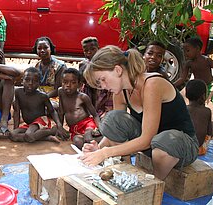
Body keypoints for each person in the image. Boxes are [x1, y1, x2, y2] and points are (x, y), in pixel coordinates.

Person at [80, 45, 198, 180]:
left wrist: (106, 153)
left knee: (163, 140)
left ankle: (156, 184)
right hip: (153, 145)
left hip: (179, 146)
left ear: (118, 70)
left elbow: (147, 140)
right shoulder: (120, 91)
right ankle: (126, 173)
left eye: (103, 79)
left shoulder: (152, 84)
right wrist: (99, 149)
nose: (104, 86)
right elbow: (116, 129)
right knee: (113, 118)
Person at [10, 67, 67, 143]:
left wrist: (59, 125)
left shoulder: (42, 96)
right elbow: (16, 111)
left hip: (41, 121)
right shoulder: (18, 92)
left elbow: (52, 111)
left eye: (35, 81)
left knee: (29, 135)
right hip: (30, 124)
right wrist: (16, 128)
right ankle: (46, 137)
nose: (30, 83)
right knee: (13, 135)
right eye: (27, 80)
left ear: (39, 83)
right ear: (22, 81)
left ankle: (52, 131)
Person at [176, 37, 213, 103]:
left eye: (187, 51)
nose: (185, 54)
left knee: (200, 102)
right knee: (196, 101)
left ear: (197, 49)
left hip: (209, 85)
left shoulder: (207, 61)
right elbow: (182, 78)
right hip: (198, 86)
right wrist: (173, 84)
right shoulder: (189, 64)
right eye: (184, 51)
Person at [58, 68, 101, 149]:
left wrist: (100, 128)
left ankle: (105, 142)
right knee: (77, 142)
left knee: (88, 138)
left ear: (79, 84)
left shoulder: (83, 97)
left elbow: (94, 114)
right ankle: (94, 148)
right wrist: (60, 127)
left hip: (87, 124)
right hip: (74, 129)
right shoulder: (61, 92)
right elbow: (61, 111)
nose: (68, 85)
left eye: (73, 82)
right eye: (65, 82)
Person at [79, 37, 113, 116]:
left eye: (92, 49)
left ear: (98, 49)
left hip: (105, 103)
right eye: (86, 50)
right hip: (90, 100)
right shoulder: (83, 65)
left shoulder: (106, 66)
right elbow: (81, 85)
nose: (89, 52)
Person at [185, 79, 213, 155]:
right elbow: (209, 132)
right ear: (203, 96)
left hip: (183, 148)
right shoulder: (207, 111)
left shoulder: (183, 108)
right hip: (199, 150)